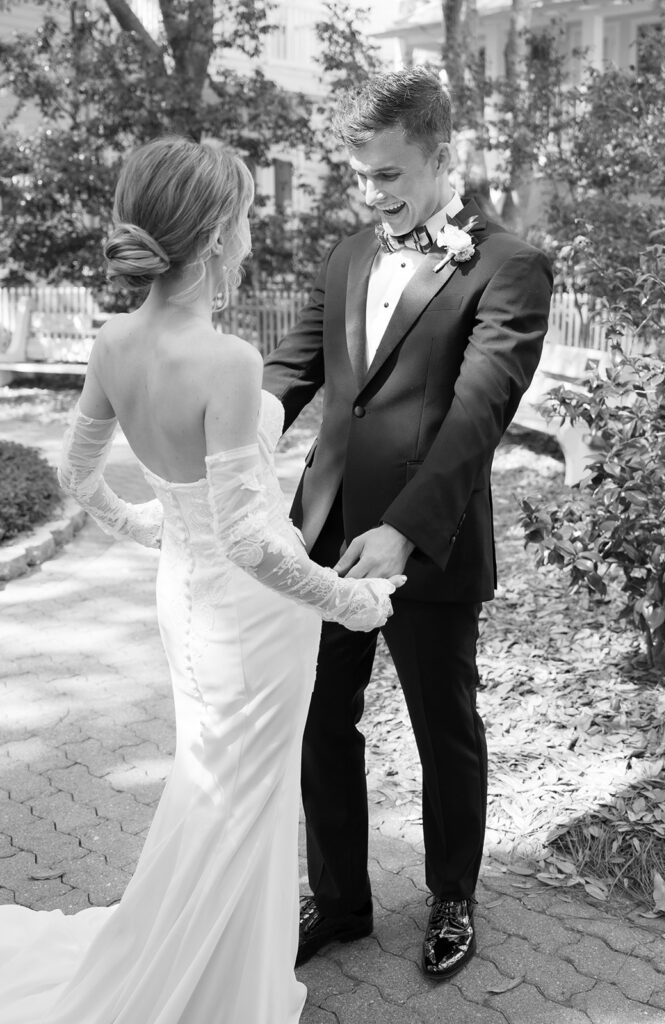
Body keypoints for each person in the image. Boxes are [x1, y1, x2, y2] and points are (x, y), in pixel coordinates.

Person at [0, 136, 402, 1024]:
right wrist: (354, 603)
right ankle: (213, 989)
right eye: (248, 214)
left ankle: (214, 967)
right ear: (217, 232)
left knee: (213, 786)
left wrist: (159, 528)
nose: (252, 233)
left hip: (186, 601)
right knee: (239, 800)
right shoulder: (226, 362)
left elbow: (79, 476)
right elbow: (254, 545)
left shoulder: (113, 342)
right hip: (250, 625)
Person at [262, 66, 553, 981]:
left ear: (440, 157)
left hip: (425, 547)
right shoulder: (348, 255)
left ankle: (453, 898)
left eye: (390, 175)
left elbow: (477, 418)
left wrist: (402, 531)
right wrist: (227, 445)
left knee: (442, 727)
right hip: (324, 540)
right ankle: (341, 901)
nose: (374, 193)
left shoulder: (508, 265)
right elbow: (292, 373)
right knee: (319, 724)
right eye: (363, 175)